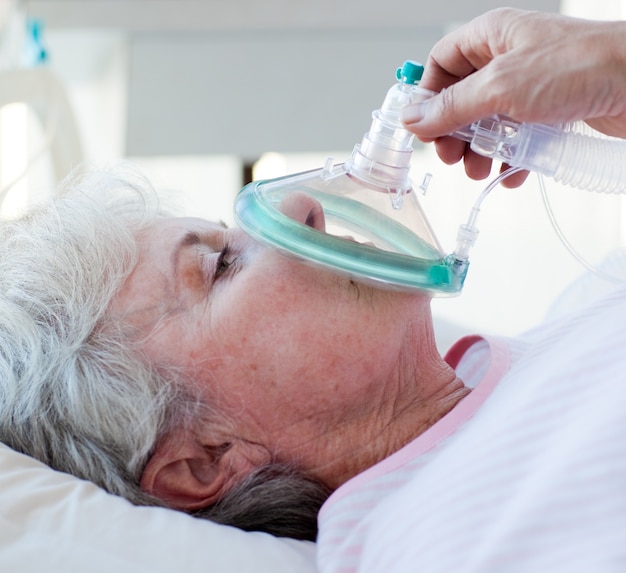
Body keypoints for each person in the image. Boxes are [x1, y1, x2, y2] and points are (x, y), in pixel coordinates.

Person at [0, 5, 624, 569]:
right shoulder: (462, 542)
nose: (301, 206)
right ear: (205, 459)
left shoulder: (582, 305)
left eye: (229, 233)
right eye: (222, 266)